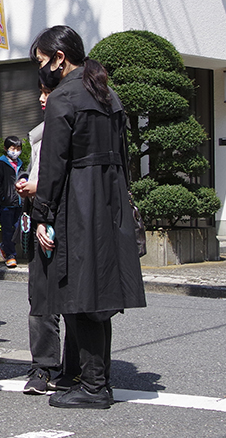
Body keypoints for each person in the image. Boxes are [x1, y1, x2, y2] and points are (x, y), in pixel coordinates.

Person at [28, 25, 146, 409]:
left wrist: (42, 214)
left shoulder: (64, 96)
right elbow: (124, 157)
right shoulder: (106, 93)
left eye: (42, 61)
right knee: (99, 292)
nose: (40, 69)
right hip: (109, 202)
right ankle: (92, 379)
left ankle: (94, 386)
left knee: (78, 291)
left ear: (60, 58)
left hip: (78, 202)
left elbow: (53, 165)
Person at [18, 85, 71, 395]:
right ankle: (44, 366)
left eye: (47, 92)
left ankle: (73, 368)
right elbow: (40, 174)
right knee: (40, 297)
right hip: (41, 220)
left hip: (66, 222)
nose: (41, 98)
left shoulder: (71, 129)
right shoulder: (38, 135)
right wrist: (27, 183)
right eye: (40, 91)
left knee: (72, 298)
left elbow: (66, 179)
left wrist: (39, 190)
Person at [0, 135, 23, 268]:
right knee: (8, 230)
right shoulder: (1, 164)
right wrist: (3, 197)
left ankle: (5, 246)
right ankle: (10, 255)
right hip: (7, 204)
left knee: (18, 229)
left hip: (19, 203)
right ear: (6, 149)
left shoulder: (20, 164)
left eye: (18, 148)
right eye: (12, 148)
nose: (15, 151)